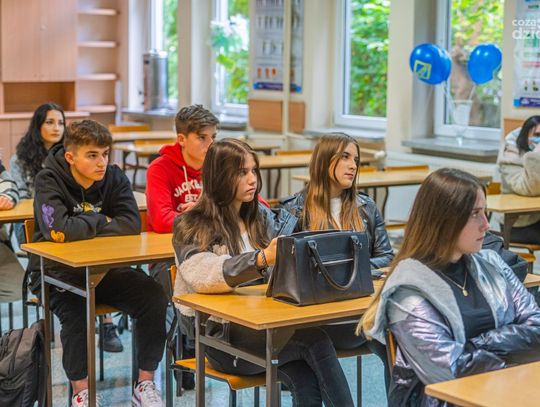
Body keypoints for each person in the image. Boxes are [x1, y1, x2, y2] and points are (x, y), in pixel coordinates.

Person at [173, 138, 354, 406]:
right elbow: (204, 275)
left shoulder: (261, 217)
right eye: (242, 172)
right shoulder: (191, 224)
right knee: (315, 341)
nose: (252, 179)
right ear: (220, 176)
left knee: (304, 375)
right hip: (221, 338)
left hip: (267, 327)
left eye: (254, 170)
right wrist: (260, 259)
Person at [360, 168, 540, 406]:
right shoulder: (407, 290)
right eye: (475, 214)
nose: (486, 225)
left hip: (502, 391)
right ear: (445, 220)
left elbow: (537, 329)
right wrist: (511, 357)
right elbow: (451, 370)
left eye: (484, 212)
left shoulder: (492, 264)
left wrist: (474, 346)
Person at [29, 120, 168, 407]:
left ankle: (145, 383)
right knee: (78, 308)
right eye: (92, 155)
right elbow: (59, 231)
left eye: (105, 154)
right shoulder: (48, 179)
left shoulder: (113, 177)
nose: (102, 162)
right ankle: (82, 393)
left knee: (153, 295)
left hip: (104, 270)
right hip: (55, 272)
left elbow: (131, 224)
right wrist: (100, 219)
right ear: (71, 157)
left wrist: (79, 224)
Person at [10, 102, 124, 353]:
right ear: (37, 126)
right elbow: (23, 197)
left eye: (61, 122)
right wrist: (95, 218)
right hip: (40, 225)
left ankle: (106, 323)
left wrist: (83, 219)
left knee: (102, 262)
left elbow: (122, 220)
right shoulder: (22, 159)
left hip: (74, 223)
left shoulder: (79, 157)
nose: (56, 128)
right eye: (50, 122)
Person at [280, 133, 394, 350]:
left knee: (398, 328)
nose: (353, 166)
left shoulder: (365, 207)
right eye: (345, 157)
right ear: (324, 160)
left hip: (360, 313)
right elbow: (285, 270)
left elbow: (387, 257)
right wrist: (352, 272)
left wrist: (351, 272)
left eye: (356, 160)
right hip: (315, 319)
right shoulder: (295, 210)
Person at [146, 104, 219, 233]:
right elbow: (162, 222)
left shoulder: (219, 165)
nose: (211, 144)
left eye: (213, 137)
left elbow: (250, 208)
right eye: (202, 137)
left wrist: (200, 213)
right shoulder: (159, 169)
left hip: (211, 239)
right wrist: (205, 216)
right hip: (169, 241)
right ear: (181, 139)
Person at [497, 115, 540, 243]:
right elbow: (528, 189)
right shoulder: (510, 155)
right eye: (537, 135)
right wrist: (535, 156)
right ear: (525, 135)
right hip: (519, 224)